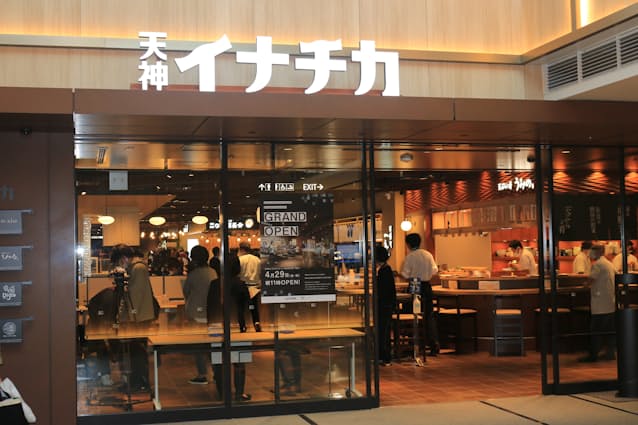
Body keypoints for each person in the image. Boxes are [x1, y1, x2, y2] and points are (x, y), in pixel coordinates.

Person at [109, 244, 157, 392]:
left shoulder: (138, 268)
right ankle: (135, 381)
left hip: (138, 318)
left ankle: (139, 382)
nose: (118, 266)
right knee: (134, 352)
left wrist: (126, 318)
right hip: (136, 316)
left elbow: (135, 296)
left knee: (137, 353)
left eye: (118, 262)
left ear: (123, 258)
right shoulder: (135, 268)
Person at [210, 254, 251, 402]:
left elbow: (211, 307)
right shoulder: (241, 284)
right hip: (237, 327)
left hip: (217, 326)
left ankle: (222, 393)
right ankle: (239, 393)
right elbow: (246, 308)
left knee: (219, 362)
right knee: (239, 361)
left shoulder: (215, 284)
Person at [183, 245, 218, 385]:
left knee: (198, 347)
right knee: (212, 347)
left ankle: (202, 374)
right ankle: (216, 372)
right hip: (211, 313)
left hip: (196, 313)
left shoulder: (193, 274)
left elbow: (186, 291)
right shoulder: (213, 272)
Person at [400, 233, 440, 356]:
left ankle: (414, 343)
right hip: (427, 285)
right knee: (428, 315)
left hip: (415, 284)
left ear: (408, 244)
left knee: (414, 314)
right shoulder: (428, 254)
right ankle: (433, 343)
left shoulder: (410, 257)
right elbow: (435, 270)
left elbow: (405, 274)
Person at [579, 244, 616, 362]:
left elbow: (591, 279)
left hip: (600, 303)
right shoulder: (609, 263)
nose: (590, 254)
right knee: (609, 330)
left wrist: (584, 285)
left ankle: (593, 355)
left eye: (592, 251)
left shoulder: (598, 265)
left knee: (596, 330)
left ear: (598, 252)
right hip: (610, 302)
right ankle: (610, 353)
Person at [376, 245, 396, 366]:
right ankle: (384, 356)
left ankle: (384, 356)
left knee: (383, 330)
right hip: (388, 304)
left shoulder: (384, 271)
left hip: (384, 304)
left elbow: (382, 290)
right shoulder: (386, 269)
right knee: (385, 330)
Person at [238, 242, 262, 332]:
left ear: (241, 249)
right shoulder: (257, 260)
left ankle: (243, 326)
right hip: (255, 287)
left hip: (243, 286)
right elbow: (261, 273)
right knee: (254, 307)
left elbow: (237, 273)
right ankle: (256, 322)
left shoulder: (240, 259)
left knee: (241, 307)